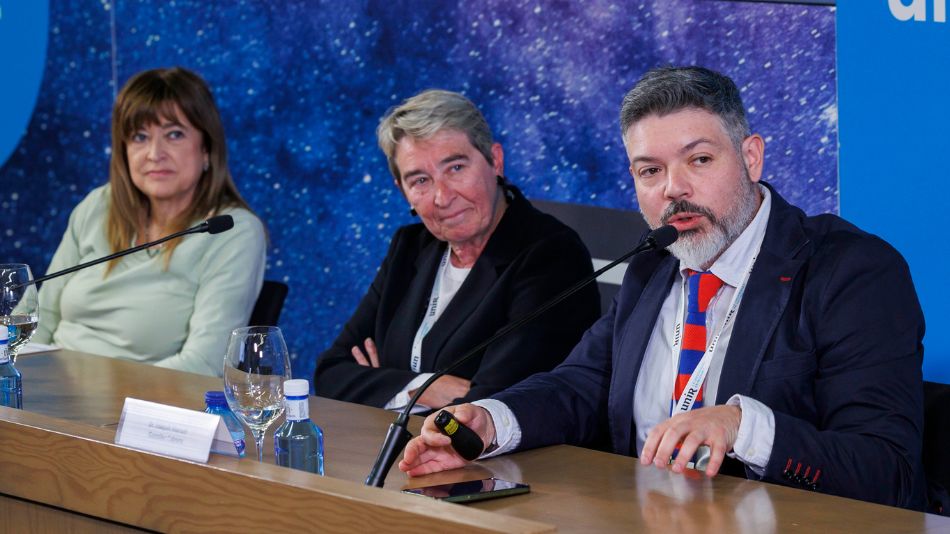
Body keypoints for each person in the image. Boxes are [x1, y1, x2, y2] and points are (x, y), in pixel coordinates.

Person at [399, 67, 927, 510]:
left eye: (699, 160)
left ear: (750, 157)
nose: (673, 188)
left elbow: (887, 472)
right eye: (650, 170)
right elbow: (580, 386)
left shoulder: (851, 273)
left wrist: (745, 427)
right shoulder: (654, 264)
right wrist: (489, 422)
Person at [313, 89, 600, 412]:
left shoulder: (551, 255)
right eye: (420, 180)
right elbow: (331, 373)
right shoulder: (409, 247)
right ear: (402, 191)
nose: (442, 196)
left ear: (495, 161)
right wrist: (423, 387)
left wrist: (383, 380)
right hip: (396, 452)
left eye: (456, 168)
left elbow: (495, 400)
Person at [34, 67, 266, 377]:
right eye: (140, 137)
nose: (155, 154)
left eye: (174, 134)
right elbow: (38, 319)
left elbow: (203, 365)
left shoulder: (232, 232)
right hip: (48, 397)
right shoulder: (98, 206)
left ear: (207, 149)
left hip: (136, 413)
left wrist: (100, 400)